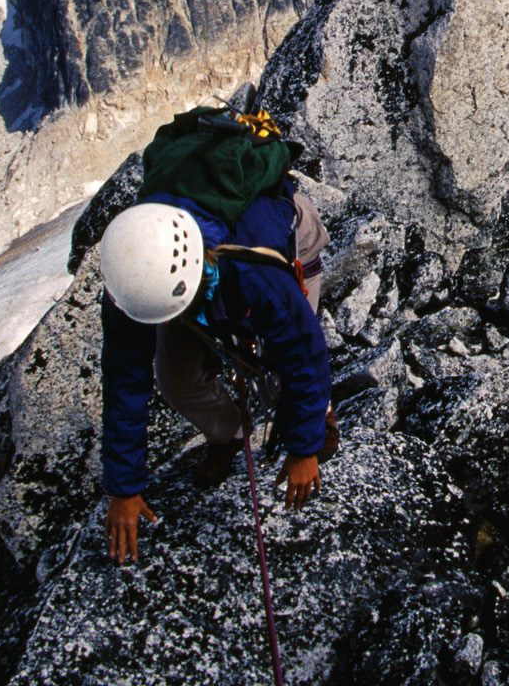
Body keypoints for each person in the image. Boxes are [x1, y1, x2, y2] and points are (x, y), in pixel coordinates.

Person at [98, 106, 333, 564]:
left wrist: (304, 447)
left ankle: (317, 419)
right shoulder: (134, 274)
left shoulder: (256, 269)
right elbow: (125, 378)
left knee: (286, 366)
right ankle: (230, 434)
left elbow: (304, 351)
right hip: (196, 272)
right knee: (177, 379)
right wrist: (123, 488)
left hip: (288, 244)